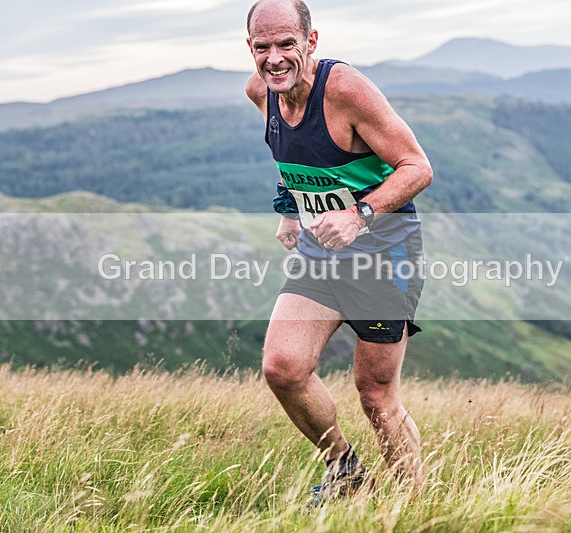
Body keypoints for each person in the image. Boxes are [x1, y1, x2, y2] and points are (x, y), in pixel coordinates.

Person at [244, 0, 432, 504]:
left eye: (287, 45)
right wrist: (290, 207)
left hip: (383, 257)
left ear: (312, 41)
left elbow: (417, 168)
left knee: (376, 397)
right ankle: (345, 470)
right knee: (283, 367)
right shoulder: (259, 92)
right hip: (320, 253)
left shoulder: (345, 90)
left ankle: (414, 508)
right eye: (263, 47)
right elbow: (292, 157)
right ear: (250, 49)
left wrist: (357, 215)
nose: (275, 58)